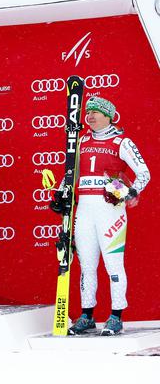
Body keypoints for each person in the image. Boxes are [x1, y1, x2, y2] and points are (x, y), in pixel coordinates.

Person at [50, 96, 150, 336]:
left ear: (109, 116)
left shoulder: (121, 141)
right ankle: (87, 315)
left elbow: (144, 172)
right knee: (87, 265)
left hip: (110, 211)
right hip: (84, 209)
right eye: (88, 112)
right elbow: (71, 172)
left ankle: (116, 315)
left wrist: (129, 191)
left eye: (96, 112)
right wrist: (61, 193)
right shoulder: (81, 140)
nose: (90, 116)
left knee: (113, 264)